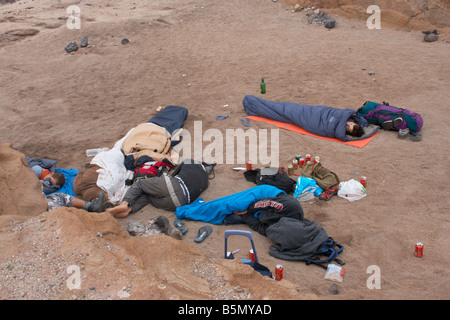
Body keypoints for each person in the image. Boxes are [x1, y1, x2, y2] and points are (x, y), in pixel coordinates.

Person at [106, 160, 214, 218]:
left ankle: (124, 204)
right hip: (177, 204)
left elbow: (174, 174)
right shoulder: (206, 182)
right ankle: (130, 209)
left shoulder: (190, 162)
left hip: (173, 185)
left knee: (140, 184)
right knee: (148, 196)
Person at [229, 193, 305, 236]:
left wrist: (244, 215)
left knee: (230, 216)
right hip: (267, 197)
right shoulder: (291, 206)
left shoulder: (277, 232)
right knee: (239, 204)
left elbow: (258, 227)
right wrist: (248, 209)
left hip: (261, 214)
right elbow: (268, 202)